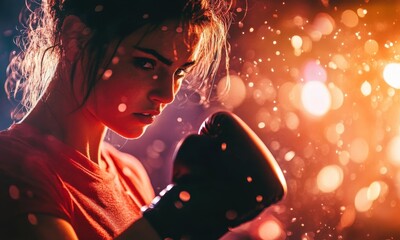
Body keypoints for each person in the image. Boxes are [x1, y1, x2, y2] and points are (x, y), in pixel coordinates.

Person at [0, 0, 287, 239]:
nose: (167, 93)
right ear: (76, 39)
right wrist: (179, 216)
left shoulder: (130, 176)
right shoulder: (10, 166)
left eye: (180, 72)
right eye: (146, 63)